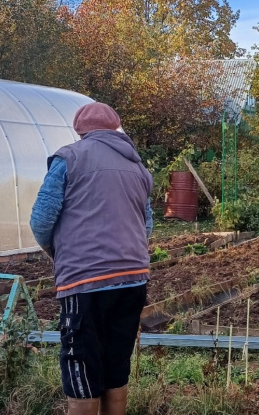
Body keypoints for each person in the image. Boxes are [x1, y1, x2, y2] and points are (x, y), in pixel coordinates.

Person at [30, 102, 153, 415]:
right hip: (134, 279)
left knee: (81, 369)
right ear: (115, 128)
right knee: (116, 365)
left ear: (80, 130)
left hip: (86, 283)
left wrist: (57, 253)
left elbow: (42, 220)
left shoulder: (69, 158)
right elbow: (146, 224)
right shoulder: (137, 166)